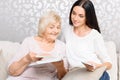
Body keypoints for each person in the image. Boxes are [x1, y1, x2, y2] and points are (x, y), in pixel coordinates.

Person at [7, 10, 68, 80]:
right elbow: (12, 71)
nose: (56, 31)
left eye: (58, 27)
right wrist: (27, 59)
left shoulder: (61, 46)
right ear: (43, 28)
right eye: (51, 27)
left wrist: (60, 66)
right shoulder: (28, 42)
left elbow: (63, 77)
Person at [59, 0, 112, 80]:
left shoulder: (95, 35)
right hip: (76, 74)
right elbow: (60, 53)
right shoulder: (66, 31)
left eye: (81, 16)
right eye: (74, 13)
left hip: (96, 74)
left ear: (87, 17)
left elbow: (109, 64)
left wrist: (96, 66)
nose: (75, 18)